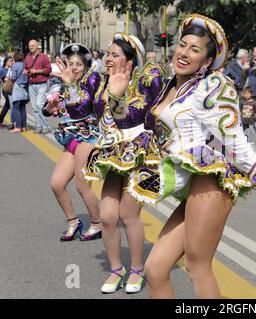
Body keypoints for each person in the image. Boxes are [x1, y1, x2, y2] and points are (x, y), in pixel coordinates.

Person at [134, 14, 256, 299]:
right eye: (183, 45)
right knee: (155, 268)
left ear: (207, 61)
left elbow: (236, 141)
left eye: (195, 50)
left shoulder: (211, 88)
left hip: (211, 180)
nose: (184, 53)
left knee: (197, 268)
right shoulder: (170, 84)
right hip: (188, 179)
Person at [83, 33, 165, 294]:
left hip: (147, 156)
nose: (108, 59)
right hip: (113, 155)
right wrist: (66, 94)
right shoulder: (101, 84)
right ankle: (117, 270)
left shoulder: (145, 83)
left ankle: (137, 269)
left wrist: (118, 95)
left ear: (130, 62)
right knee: (107, 217)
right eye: (108, 54)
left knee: (129, 215)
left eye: (115, 55)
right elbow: (87, 111)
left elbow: (131, 119)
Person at [41, 43, 103, 242]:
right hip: (71, 140)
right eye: (70, 63)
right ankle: (74, 222)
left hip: (89, 137)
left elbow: (83, 108)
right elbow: (46, 109)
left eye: (79, 64)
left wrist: (70, 84)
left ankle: (97, 223)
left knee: (82, 185)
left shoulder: (92, 80)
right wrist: (50, 107)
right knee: (56, 183)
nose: (74, 67)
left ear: (86, 65)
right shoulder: (60, 85)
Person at [24, 39, 51, 134]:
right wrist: (25, 71)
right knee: (35, 107)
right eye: (29, 46)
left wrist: (37, 71)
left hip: (42, 84)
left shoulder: (43, 57)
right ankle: (39, 126)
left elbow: (48, 70)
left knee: (40, 105)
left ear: (37, 46)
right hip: (31, 84)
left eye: (32, 45)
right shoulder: (27, 57)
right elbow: (26, 68)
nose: (31, 47)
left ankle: (45, 126)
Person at [9, 52, 29, 133]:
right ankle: (24, 126)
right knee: (23, 108)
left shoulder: (15, 65)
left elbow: (13, 77)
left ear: (15, 58)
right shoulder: (25, 64)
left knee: (16, 108)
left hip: (18, 87)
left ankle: (18, 127)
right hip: (25, 88)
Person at [0, 56, 14, 128]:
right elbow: (5, 79)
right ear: (6, 62)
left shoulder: (12, 69)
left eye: (12, 61)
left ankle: (1, 120)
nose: (11, 62)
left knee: (7, 105)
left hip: (12, 89)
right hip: (6, 90)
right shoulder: (3, 70)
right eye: (9, 61)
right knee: (9, 105)